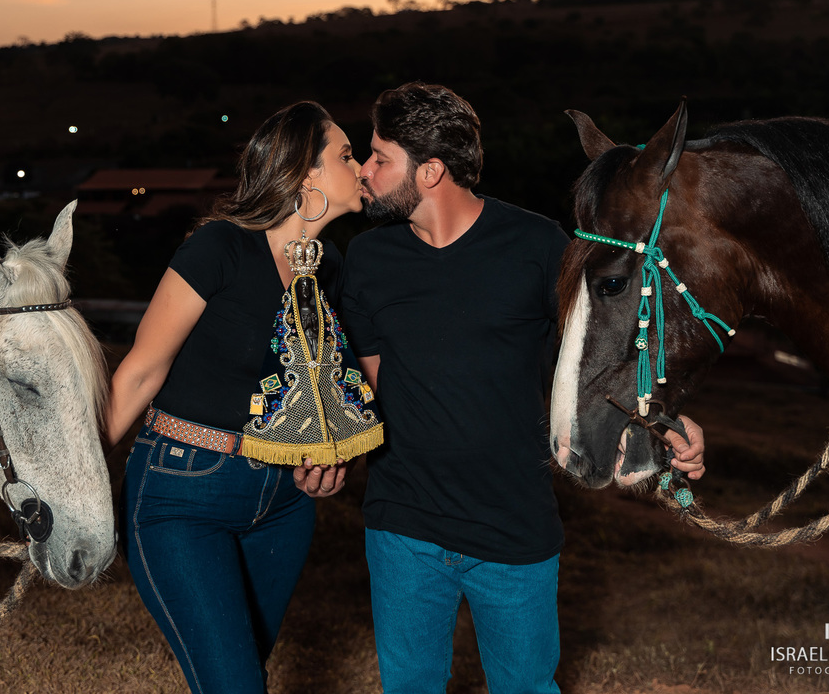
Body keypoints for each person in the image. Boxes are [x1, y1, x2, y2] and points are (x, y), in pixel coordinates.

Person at [297, 82, 705, 693]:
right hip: (402, 526)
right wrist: (326, 447)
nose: (365, 172)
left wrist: (663, 420)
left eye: (381, 158)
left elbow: (599, 357)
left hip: (513, 528)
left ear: (430, 170)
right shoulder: (369, 259)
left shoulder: (539, 247)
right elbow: (373, 389)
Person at [104, 101, 367, 694]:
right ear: (307, 175)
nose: (362, 167)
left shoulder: (330, 268)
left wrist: (332, 455)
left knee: (242, 677)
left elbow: (321, 383)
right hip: (182, 491)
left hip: (284, 506)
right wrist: (74, 489)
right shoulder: (219, 248)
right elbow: (140, 374)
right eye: (346, 156)